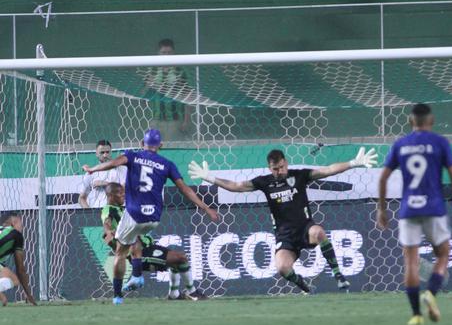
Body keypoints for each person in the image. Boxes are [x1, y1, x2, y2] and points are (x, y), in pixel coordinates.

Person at [189, 146, 377, 293]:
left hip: (305, 229)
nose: (279, 171)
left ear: (286, 163)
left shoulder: (300, 175)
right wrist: (209, 177)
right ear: (269, 168)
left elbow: (327, 170)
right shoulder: (265, 182)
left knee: (319, 232)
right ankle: (304, 286)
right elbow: (236, 186)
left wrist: (354, 162)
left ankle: (338, 275)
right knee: (282, 268)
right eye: (274, 169)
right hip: (285, 236)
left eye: (281, 167)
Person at [82, 128, 218, 304]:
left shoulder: (132, 156)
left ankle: (120, 294)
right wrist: (206, 208)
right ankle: (160, 284)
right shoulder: (168, 164)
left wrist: (92, 169)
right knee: (135, 237)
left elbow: (113, 163)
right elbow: (184, 189)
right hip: (154, 218)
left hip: (134, 214)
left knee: (120, 253)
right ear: (161, 145)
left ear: (141, 144)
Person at [377, 103, 452, 325]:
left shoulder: (400, 144)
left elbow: (383, 178)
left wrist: (382, 209)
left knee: (410, 261)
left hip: (409, 209)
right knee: (443, 254)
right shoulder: (440, 142)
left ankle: (416, 315)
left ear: (411, 121)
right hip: (434, 208)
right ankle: (431, 293)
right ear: (432, 121)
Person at [101, 183, 201, 300]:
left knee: (177, 261)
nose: (123, 195)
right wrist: (108, 231)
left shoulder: (124, 208)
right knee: (181, 258)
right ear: (110, 195)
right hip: (139, 253)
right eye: (119, 193)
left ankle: (174, 295)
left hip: (148, 247)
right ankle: (192, 292)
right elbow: (107, 222)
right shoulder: (109, 209)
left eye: (124, 192)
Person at [142, 39, 192, 137]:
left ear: (174, 53)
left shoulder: (180, 71)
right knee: (154, 149)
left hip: (175, 120)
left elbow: (188, 97)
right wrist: (148, 84)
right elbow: (143, 96)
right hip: (155, 120)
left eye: (169, 52)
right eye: (163, 52)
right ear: (158, 53)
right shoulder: (152, 71)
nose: (166, 55)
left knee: (173, 149)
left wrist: (186, 120)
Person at [0, 213, 37, 306]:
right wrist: (28, 294)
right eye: (20, 223)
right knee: (15, 280)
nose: (22, 226)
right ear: (13, 222)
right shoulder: (16, 235)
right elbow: (20, 268)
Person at [79, 140, 127, 209]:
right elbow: (81, 198)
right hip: (97, 212)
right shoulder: (91, 173)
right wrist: (89, 212)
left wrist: (106, 184)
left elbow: (125, 190)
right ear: (96, 154)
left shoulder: (122, 169)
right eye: (102, 152)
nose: (105, 155)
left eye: (107, 152)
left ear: (111, 152)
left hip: (118, 210)